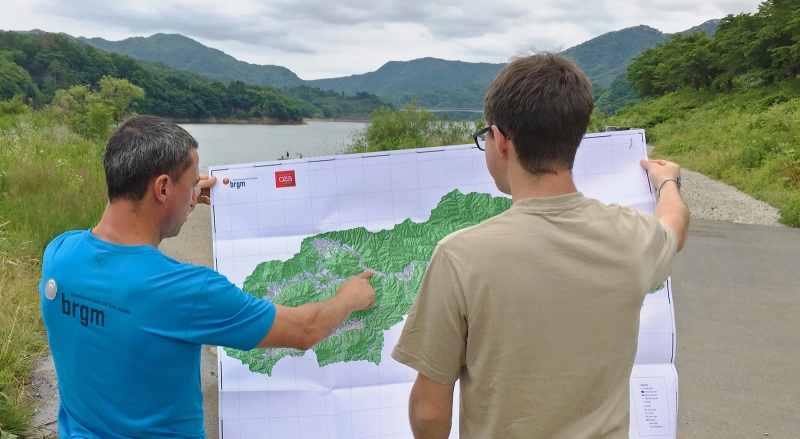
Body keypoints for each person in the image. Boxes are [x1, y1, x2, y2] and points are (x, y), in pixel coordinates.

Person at [391, 52, 689, 439]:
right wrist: (667, 182)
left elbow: (430, 413)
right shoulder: (633, 236)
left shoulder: (459, 256)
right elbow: (674, 226)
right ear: (574, 136)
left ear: (499, 141)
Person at [39, 115, 376, 438]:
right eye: (193, 180)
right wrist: (348, 298)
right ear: (162, 188)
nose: (196, 189)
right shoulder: (186, 291)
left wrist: (184, 193)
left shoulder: (59, 254)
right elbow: (306, 330)